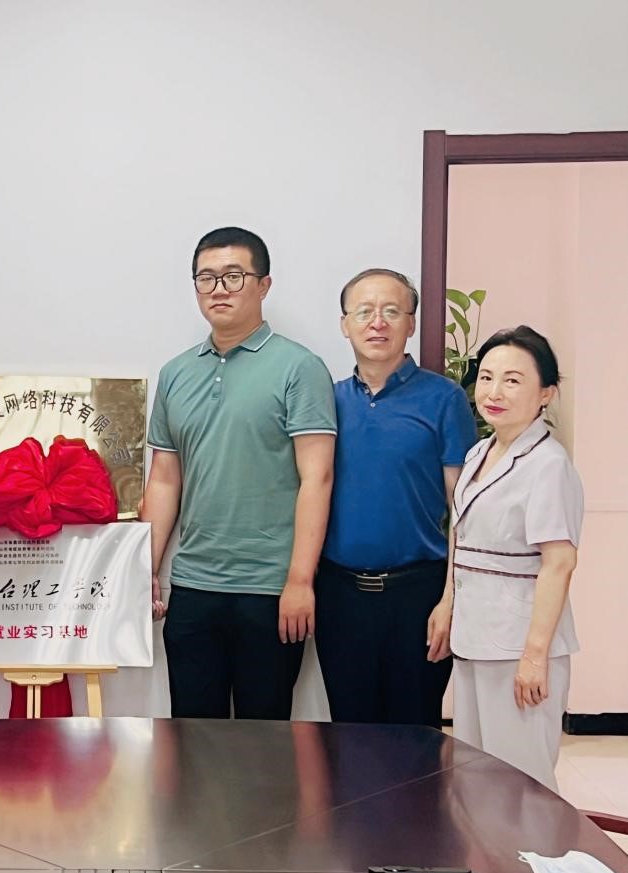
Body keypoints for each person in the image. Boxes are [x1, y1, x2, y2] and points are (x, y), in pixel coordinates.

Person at [142, 227, 336, 719]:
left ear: (264, 285)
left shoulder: (299, 367)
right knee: (191, 736)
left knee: (264, 741)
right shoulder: (176, 373)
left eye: (234, 276)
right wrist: (145, 568)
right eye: (206, 278)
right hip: (193, 586)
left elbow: (317, 479)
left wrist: (300, 580)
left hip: (270, 589)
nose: (219, 289)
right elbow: (165, 478)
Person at [316, 269, 477, 726]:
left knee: (416, 737)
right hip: (340, 596)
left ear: (411, 323)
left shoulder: (444, 399)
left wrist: (450, 600)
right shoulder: (327, 401)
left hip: (418, 595)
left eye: (391, 311)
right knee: (348, 736)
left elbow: (464, 509)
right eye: (364, 311)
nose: (377, 322)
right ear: (344, 324)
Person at [447, 326, 582, 793]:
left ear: (546, 393)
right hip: (475, 639)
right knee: (476, 779)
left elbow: (559, 563)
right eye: (486, 378)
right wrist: (448, 606)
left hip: (518, 648)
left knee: (521, 787)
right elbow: (462, 537)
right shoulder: (479, 452)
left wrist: (534, 657)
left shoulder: (549, 465)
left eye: (512, 380)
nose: (494, 392)